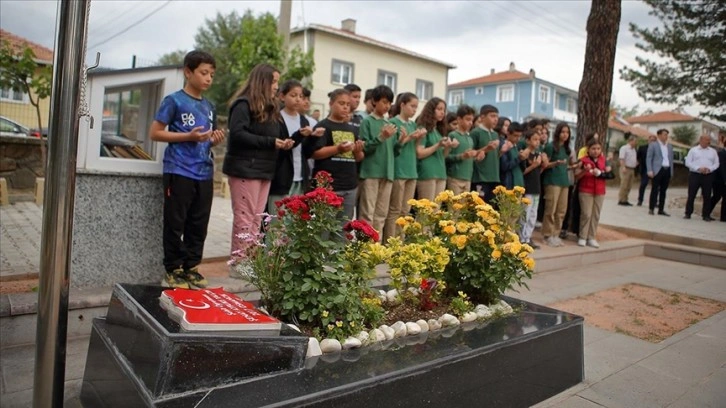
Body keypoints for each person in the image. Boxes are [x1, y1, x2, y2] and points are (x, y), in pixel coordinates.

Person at [149, 50, 226, 289]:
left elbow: (205, 139)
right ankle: (173, 270)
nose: (208, 78)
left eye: (212, 74)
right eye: (204, 73)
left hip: (204, 172)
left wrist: (213, 140)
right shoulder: (174, 101)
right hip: (179, 170)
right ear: (188, 72)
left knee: (198, 222)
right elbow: (155, 133)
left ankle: (192, 267)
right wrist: (188, 136)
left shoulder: (210, 106)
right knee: (175, 222)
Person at [224, 63, 291, 258]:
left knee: (256, 220)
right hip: (246, 169)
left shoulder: (272, 108)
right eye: (274, 81)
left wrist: (283, 142)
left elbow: (274, 135)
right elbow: (237, 134)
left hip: (264, 170)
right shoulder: (243, 105)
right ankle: (239, 261)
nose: (276, 86)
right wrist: (270, 142)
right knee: (245, 219)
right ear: (262, 81)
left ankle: (249, 261)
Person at [305, 89, 365, 222]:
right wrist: (338, 148)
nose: (345, 107)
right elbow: (314, 153)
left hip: (350, 186)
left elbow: (359, 158)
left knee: (343, 228)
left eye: (348, 104)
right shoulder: (322, 126)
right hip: (328, 187)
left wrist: (358, 151)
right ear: (331, 104)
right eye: (341, 103)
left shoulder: (352, 128)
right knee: (323, 227)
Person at [268, 80, 325, 213]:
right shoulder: (276, 118)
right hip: (281, 178)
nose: (298, 99)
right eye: (293, 95)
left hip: (300, 176)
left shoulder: (304, 120)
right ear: (282, 96)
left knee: (295, 219)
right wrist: (298, 135)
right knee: (277, 218)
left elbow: (307, 152)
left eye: (301, 96)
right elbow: (280, 148)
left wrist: (313, 137)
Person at [384, 92, 425, 239]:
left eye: (416, 107)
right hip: (399, 170)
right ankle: (390, 242)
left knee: (405, 210)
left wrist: (419, 138)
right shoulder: (393, 122)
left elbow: (416, 149)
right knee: (395, 209)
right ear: (402, 105)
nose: (414, 110)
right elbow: (394, 149)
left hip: (411, 171)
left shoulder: (413, 124)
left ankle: (400, 242)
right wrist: (407, 138)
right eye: (412, 106)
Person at [358, 85, 397, 238]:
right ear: (374, 101)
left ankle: (376, 247)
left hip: (387, 172)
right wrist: (381, 137)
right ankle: (364, 246)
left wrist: (402, 141)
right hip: (371, 172)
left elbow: (393, 151)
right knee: (367, 213)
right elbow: (364, 148)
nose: (387, 106)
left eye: (389, 103)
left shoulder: (389, 124)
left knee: (381, 214)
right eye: (384, 102)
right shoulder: (367, 121)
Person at [416, 97, 453, 201]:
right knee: (427, 207)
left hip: (441, 173)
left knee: (437, 208)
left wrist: (448, 146)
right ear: (431, 110)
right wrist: (438, 145)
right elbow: (419, 153)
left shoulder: (438, 130)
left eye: (444, 110)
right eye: (439, 109)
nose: (442, 112)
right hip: (427, 173)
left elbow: (443, 155)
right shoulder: (423, 128)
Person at [541, 122, 572, 247]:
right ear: (558, 133)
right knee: (551, 209)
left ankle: (556, 234)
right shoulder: (550, 146)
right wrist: (555, 163)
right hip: (552, 181)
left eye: (567, 132)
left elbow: (566, 165)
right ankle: (547, 234)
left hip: (564, 181)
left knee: (561, 210)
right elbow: (544, 165)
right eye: (563, 132)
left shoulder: (567, 149)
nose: (565, 135)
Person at [575, 139, 608, 248]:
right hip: (586, 190)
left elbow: (609, 174)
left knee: (596, 214)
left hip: (600, 190)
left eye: (598, 149)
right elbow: (576, 176)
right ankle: (582, 236)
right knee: (586, 214)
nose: (596, 151)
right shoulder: (583, 160)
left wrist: (602, 173)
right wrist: (585, 170)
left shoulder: (603, 160)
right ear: (588, 149)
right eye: (593, 148)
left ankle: (591, 237)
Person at [683, 135, 720, 221]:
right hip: (695, 175)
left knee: (707, 195)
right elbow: (688, 162)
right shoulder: (693, 150)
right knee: (691, 194)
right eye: (706, 140)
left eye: (709, 140)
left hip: (708, 175)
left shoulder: (713, 151)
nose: (708, 142)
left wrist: (709, 169)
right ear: (701, 140)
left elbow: (716, 163)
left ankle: (706, 215)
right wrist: (698, 168)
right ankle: (688, 213)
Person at [471, 105, 501, 203]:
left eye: (497, 116)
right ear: (482, 117)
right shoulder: (475, 132)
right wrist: (486, 149)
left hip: (494, 177)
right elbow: (470, 154)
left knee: (491, 207)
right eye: (492, 116)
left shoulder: (495, 134)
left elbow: (495, 156)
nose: (495, 119)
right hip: (480, 178)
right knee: (479, 206)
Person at [446, 104, 477, 195]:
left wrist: (476, 157)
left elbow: (469, 158)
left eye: (472, 120)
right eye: (468, 119)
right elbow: (446, 156)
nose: (470, 123)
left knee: (464, 204)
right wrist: (461, 156)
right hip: (455, 177)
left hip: (467, 178)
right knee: (455, 203)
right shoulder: (453, 135)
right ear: (459, 119)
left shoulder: (469, 138)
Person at [519, 129, 543, 249]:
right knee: (525, 214)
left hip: (536, 188)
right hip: (527, 188)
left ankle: (528, 238)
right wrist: (533, 165)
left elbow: (539, 171)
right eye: (534, 139)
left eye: (538, 140)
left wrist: (541, 164)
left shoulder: (538, 155)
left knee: (533, 215)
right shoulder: (524, 154)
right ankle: (522, 238)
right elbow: (522, 172)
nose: (537, 142)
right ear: (528, 140)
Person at [646, 128, 674, 216]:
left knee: (663, 190)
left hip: (667, 169)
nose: (666, 136)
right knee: (655, 189)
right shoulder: (653, 145)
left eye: (667, 135)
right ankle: (651, 208)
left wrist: (671, 171)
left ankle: (661, 209)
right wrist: (650, 170)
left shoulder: (669, 146)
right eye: (664, 134)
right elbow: (649, 158)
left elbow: (671, 159)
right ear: (659, 135)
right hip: (657, 169)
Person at [499, 122, 524, 190]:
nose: (518, 138)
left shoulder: (518, 147)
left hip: (519, 184)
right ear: (508, 133)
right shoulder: (503, 145)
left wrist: (523, 158)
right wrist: (519, 158)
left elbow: (522, 168)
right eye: (515, 136)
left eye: (519, 136)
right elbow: (504, 166)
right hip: (508, 184)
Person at [708, 132, 726, 222]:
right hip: (719, 181)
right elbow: (722, 167)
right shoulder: (721, 153)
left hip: (723, 180)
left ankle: (723, 217)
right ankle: (707, 212)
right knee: (716, 197)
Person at [617, 134, 638, 206]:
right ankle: (621, 199)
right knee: (624, 185)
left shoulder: (634, 150)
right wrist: (623, 167)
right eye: (635, 141)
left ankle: (625, 199)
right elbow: (622, 158)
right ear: (630, 141)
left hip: (632, 168)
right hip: (626, 168)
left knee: (629, 185)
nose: (636, 143)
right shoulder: (624, 148)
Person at [636, 134, 657, 206]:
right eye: (651, 140)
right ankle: (640, 200)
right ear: (648, 140)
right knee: (643, 184)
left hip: (655, 169)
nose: (652, 142)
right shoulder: (642, 148)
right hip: (645, 169)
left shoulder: (657, 149)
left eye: (654, 141)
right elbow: (638, 158)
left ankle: (654, 201)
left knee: (655, 186)